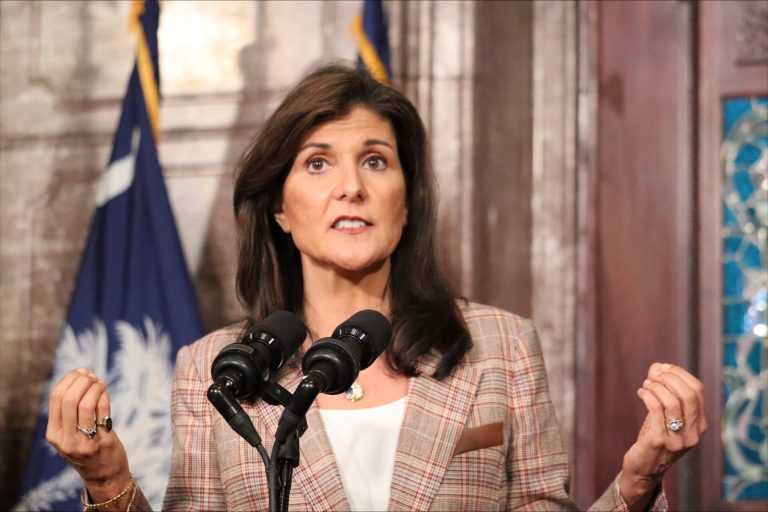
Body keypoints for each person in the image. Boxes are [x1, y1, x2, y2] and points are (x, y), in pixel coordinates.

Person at [45, 63, 706, 511]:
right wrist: (107, 480)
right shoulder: (215, 370)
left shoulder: (500, 346)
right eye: (317, 163)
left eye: (375, 161)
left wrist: (638, 479)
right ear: (279, 207)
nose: (351, 187)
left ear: (406, 199)